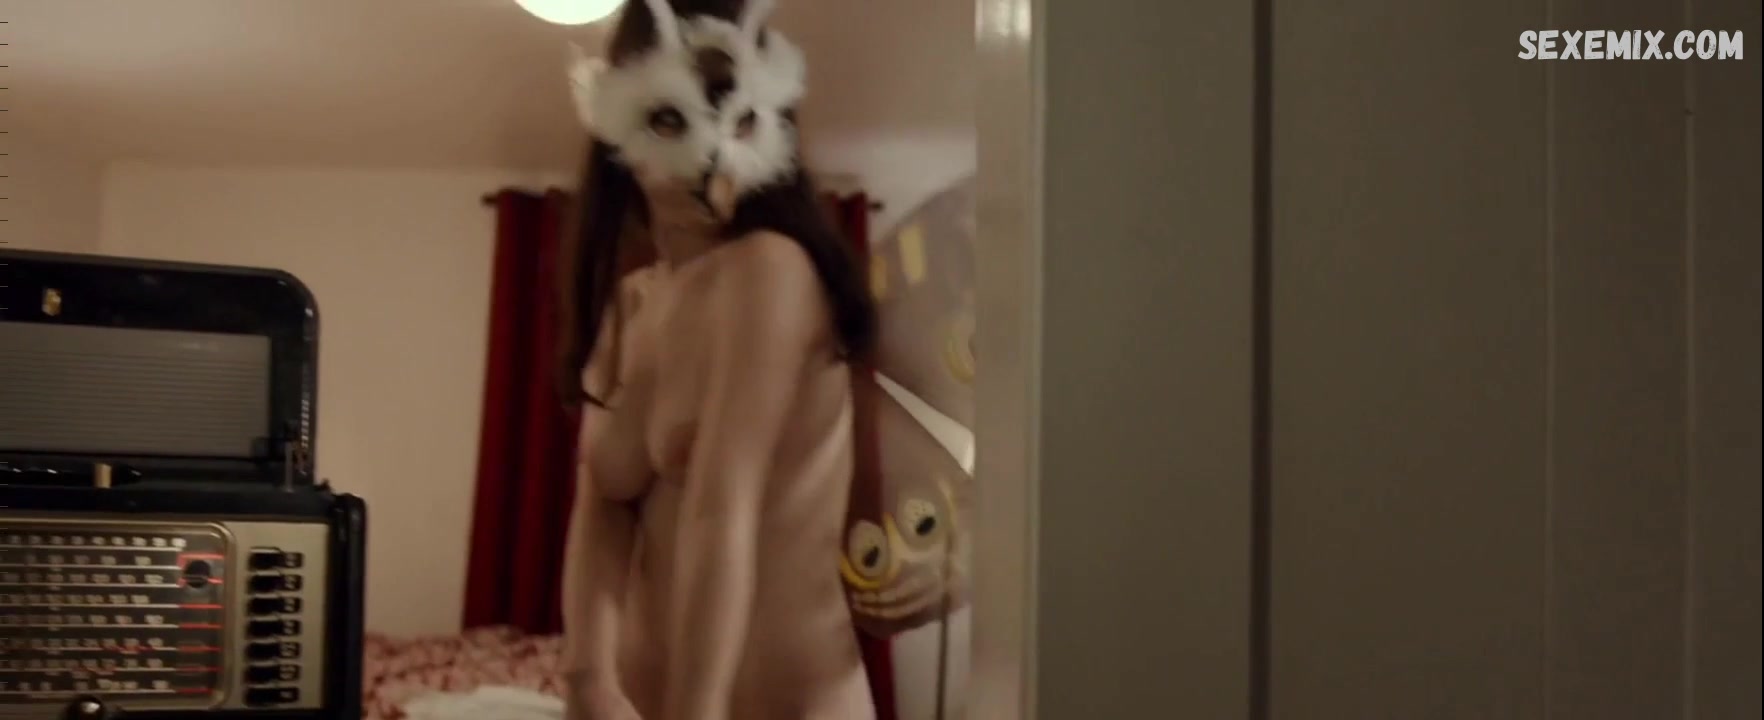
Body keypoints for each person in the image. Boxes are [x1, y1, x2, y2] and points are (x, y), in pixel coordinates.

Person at [555, 1, 879, 718]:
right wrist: (587, 678)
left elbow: (721, 505)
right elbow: (602, 503)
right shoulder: (633, 302)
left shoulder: (771, 269)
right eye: (671, 120)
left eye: (733, 121)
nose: (706, 161)